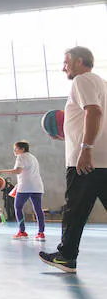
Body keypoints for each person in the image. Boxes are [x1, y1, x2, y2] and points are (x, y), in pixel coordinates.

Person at [41, 47, 107, 273]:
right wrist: (73, 137)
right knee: (76, 211)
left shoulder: (82, 80)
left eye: (66, 62)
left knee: (75, 211)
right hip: (102, 160)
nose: (63, 67)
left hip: (87, 162)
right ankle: (66, 255)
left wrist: (86, 149)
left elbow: (94, 112)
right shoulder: (102, 83)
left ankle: (66, 256)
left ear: (80, 61)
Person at [0, 141, 45, 240]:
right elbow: (27, 173)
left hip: (25, 187)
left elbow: (17, 171)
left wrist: (0, 171)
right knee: (38, 210)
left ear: (22, 149)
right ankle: (41, 233)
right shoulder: (33, 157)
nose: (14, 151)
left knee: (18, 207)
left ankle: (22, 231)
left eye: (15, 148)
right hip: (37, 187)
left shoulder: (21, 157)